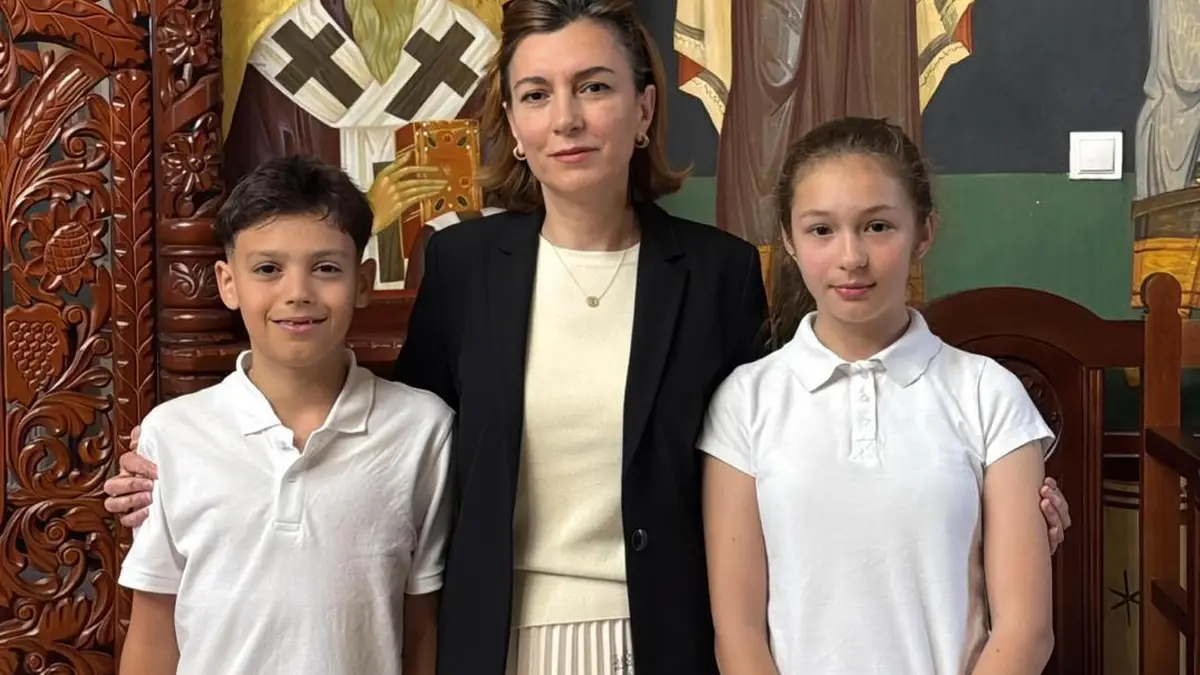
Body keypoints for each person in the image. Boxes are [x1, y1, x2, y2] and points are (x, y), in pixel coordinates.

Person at [104, 2, 1073, 674]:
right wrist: (189, 470)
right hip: (498, 639)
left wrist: (1005, 503)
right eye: (536, 94)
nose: (565, 118)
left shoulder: (718, 271)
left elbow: (791, 441)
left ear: (644, 107)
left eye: (595, 87)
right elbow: (401, 435)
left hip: (673, 638)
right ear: (514, 121)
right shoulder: (465, 266)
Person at [701, 116, 1055, 675]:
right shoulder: (747, 401)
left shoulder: (988, 394)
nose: (851, 257)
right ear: (789, 239)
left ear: (923, 233)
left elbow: (1026, 631)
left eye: (878, 226)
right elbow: (739, 631)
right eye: (821, 230)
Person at [116, 156, 452, 675]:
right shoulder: (174, 433)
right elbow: (154, 629)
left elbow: (421, 625)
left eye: (326, 268)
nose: (297, 293)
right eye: (268, 269)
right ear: (228, 282)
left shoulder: (422, 430)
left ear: (363, 281)